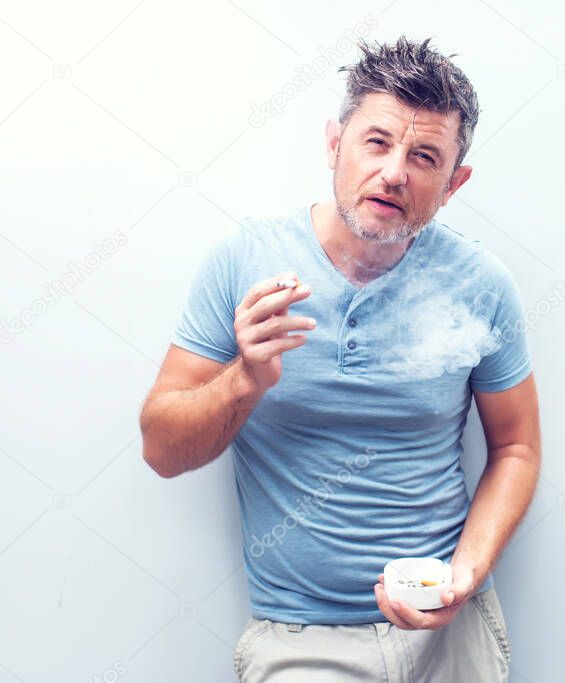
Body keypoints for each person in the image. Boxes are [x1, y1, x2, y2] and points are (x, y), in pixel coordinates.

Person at [139, 36, 541, 682]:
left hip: (448, 626)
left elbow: (517, 447)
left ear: (454, 183)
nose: (393, 172)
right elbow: (161, 447)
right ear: (334, 143)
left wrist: (466, 570)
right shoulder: (245, 263)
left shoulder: (481, 283)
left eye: (425, 156)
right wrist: (244, 380)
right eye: (376, 142)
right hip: (304, 641)